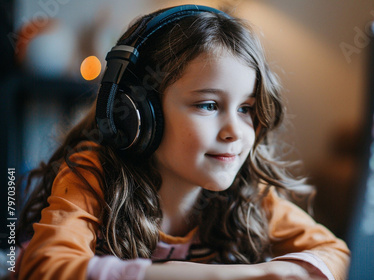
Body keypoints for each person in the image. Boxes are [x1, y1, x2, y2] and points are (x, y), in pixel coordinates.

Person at [16, 5, 350, 280]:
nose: (235, 131)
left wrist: (288, 271)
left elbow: (336, 254)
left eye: (246, 108)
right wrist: (219, 276)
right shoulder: (94, 174)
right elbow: (45, 268)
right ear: (137, 114)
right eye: (208, 105)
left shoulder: (250, 197)